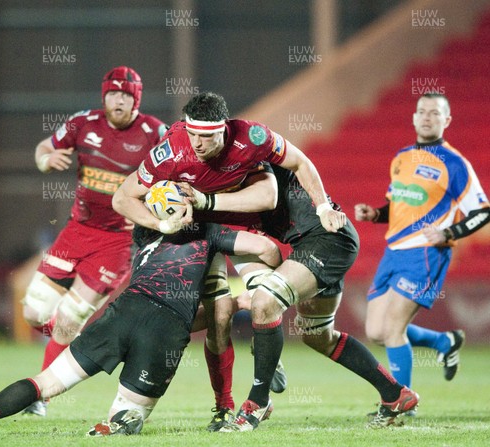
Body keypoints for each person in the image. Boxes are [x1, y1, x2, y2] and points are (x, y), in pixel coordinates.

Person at [0, 202, 282, 437]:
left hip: (122, 313)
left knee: (46, 383)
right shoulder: (208, 232)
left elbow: (131, 205)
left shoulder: (141, 235)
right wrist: (253, 288)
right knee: (128, 419)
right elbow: (266, 249)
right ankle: (119, 424)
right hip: (165, 331)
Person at [112, 91, 346, 429]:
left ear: (225, 128)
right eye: (193, 134)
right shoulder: (170, 150)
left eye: (207, 136)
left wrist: (323, 205)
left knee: (263, 277)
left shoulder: (252, 138)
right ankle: (223, 404)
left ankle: (264, 356)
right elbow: (123, 197)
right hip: (189, 235)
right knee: (214, 318)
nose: (198, 144)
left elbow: (292, 170)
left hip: (226, 224)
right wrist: (161, 223)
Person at [214, 163, 419, 431]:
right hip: (313, 246)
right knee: (317, 335)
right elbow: (261, 249)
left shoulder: (251, 159)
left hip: (327, 240)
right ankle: (395, 395)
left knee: (265, 302)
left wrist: (260, 297)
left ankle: (257, 401)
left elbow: (298, 161)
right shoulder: (226, 193)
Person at [21, 66, 167, 416]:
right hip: (76, 232)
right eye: (113, 93)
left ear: (137, 99)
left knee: (71, 316)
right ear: (104, 96)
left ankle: (40, 396)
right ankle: (67, 335)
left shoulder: (154, 132)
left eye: (127, 95)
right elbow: (44, 147)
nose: (119, 100)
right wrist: (45, 160)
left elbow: (176, 168)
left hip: (118, 242)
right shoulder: (82, 123)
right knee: (33, 312)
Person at [354, 93, 489, 395]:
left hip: (426, 254)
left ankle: (401, 402)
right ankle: (443, 342)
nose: (427, 117)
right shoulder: (402, 157)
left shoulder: (455, 164)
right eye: (422, 111)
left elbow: (483, 212)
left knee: (393, 329)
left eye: (435, 113)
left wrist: (448, 233)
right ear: (414, 117)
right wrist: (375, 213)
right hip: (394, 252)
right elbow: (398, 206)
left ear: (447, 120)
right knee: (375, 331)